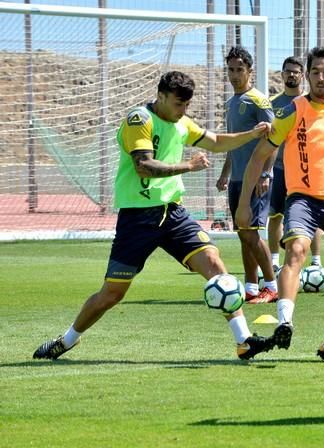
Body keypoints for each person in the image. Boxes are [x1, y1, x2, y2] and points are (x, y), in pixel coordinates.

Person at [33, 71, 275, 361]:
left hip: (173, 214)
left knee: (214, 264)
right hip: (138, 219)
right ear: (160, 96)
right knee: (112, 293)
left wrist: (252, 134)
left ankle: (244, 341)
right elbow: (143, 166)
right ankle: (68, 340)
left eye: (186, 105)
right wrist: (188, 166)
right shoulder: (140, 120)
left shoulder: (182, 122)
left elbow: (216, 141)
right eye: (178, 104)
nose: (183, 111)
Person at [236, 46, 324, 363]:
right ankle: (285, 322)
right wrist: (244, 204)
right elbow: (260, 154)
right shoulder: (293, 110)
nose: (321, 78)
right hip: (303, 199)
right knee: (296, 250)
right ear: (307, 75)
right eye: (315, 72)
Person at [216, 46, 278, 304]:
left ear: (250, 71)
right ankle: (251, 287)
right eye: (231, 69)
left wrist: (266, 172)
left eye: (240, 69)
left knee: (251, 233)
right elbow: (233, 144)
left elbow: (274, 138)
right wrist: (224, 175)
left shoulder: (259, 100)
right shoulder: (231, 103)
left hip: (256, 180)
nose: (235, 74)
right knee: (243, 234)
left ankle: (272, 285)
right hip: (237, 180)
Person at [267, 56, 324, 272]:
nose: (291, 75)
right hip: (280, 169)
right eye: (287, 71)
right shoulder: (272, 104)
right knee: (275, 215)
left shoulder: (309, 102)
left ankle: (316, 262)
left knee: (312, 216)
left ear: (303, 75)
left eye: (295, 71)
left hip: (305, 169)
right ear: (282, 75)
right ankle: (273, 260)